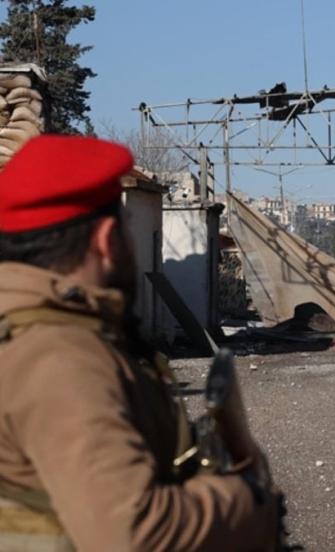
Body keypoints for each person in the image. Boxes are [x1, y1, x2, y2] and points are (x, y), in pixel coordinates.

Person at [0, 135, 281, 551]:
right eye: (129, 233)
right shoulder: (59, 355)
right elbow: (134, 533)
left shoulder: (29, 329)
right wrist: (249, 502)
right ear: (105, 241)